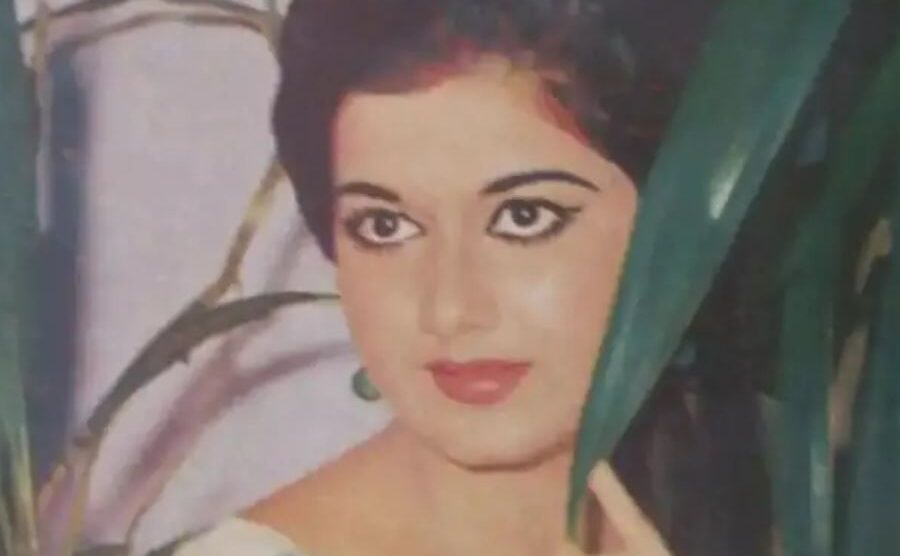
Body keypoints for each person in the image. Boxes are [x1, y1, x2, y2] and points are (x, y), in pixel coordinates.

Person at [175, 0, 710, 554]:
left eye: (523, 217)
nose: (449, 309)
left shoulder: (754, 506)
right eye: (386, 226)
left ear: (673, 226)